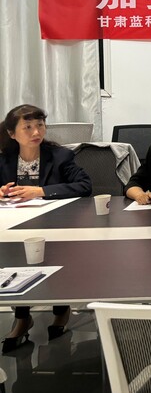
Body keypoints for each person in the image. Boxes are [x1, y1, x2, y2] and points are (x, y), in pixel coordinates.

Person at [0, 104, 92, 352]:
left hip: (55, 223)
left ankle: (61, 310)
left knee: (56, 259)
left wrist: (41, 191)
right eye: (28, 127)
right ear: (12, 133)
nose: (36, 132)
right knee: (17, 262)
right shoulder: (5, 159)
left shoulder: (60, 156)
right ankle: (22, 317)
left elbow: (85, 185)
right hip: (15, 225)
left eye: (40, 125)